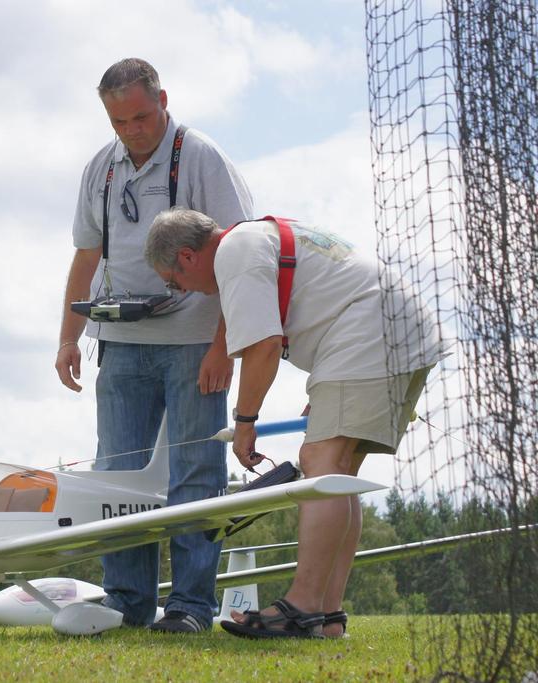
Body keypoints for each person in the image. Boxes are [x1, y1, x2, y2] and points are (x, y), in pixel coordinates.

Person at [144, 208, 443, 638]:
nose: (185, 291)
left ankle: (301, 608)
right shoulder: (253, 239)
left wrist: (244, 423)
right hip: (395, 331)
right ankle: (326, 616)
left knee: (321, 463)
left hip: (371, 333)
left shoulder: (234, 253)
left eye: (174, 282)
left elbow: (264, 347)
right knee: (338, 474)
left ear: (187, 256)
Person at [54, 58, 253, 633]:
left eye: (141, 117)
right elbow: (86, 255)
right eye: (119, 122)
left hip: (193, 342)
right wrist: (68, 336)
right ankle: (127, 603)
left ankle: (190, 607)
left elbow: (240, 252)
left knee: (196, 473)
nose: (132, 131)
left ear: (163, 100)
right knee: (116, 475)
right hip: (119, 343)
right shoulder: (101, 168)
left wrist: (223, 345)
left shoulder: (202, 157)